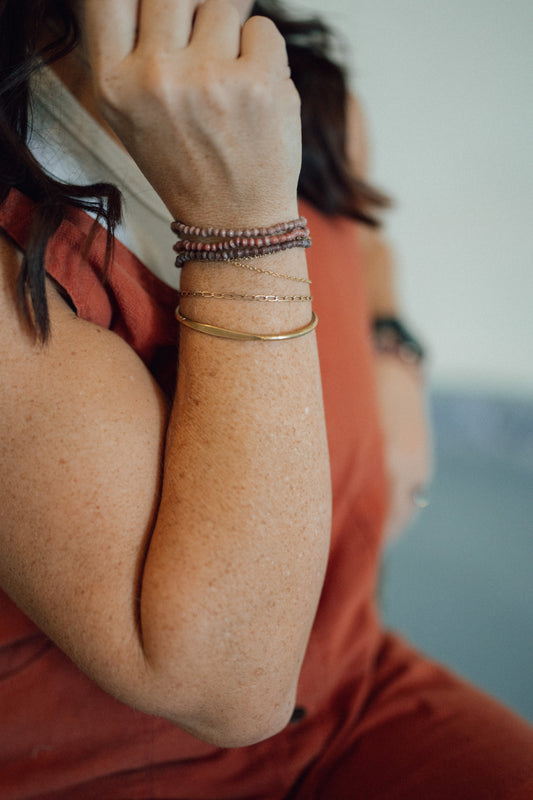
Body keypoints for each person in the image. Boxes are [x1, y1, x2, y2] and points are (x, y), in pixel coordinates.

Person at [0, 1, 532, 798]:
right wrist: (237, 223)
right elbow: (228, 688)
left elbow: (365, 231)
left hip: (360, 688)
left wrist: (391, 348)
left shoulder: (296, 84)